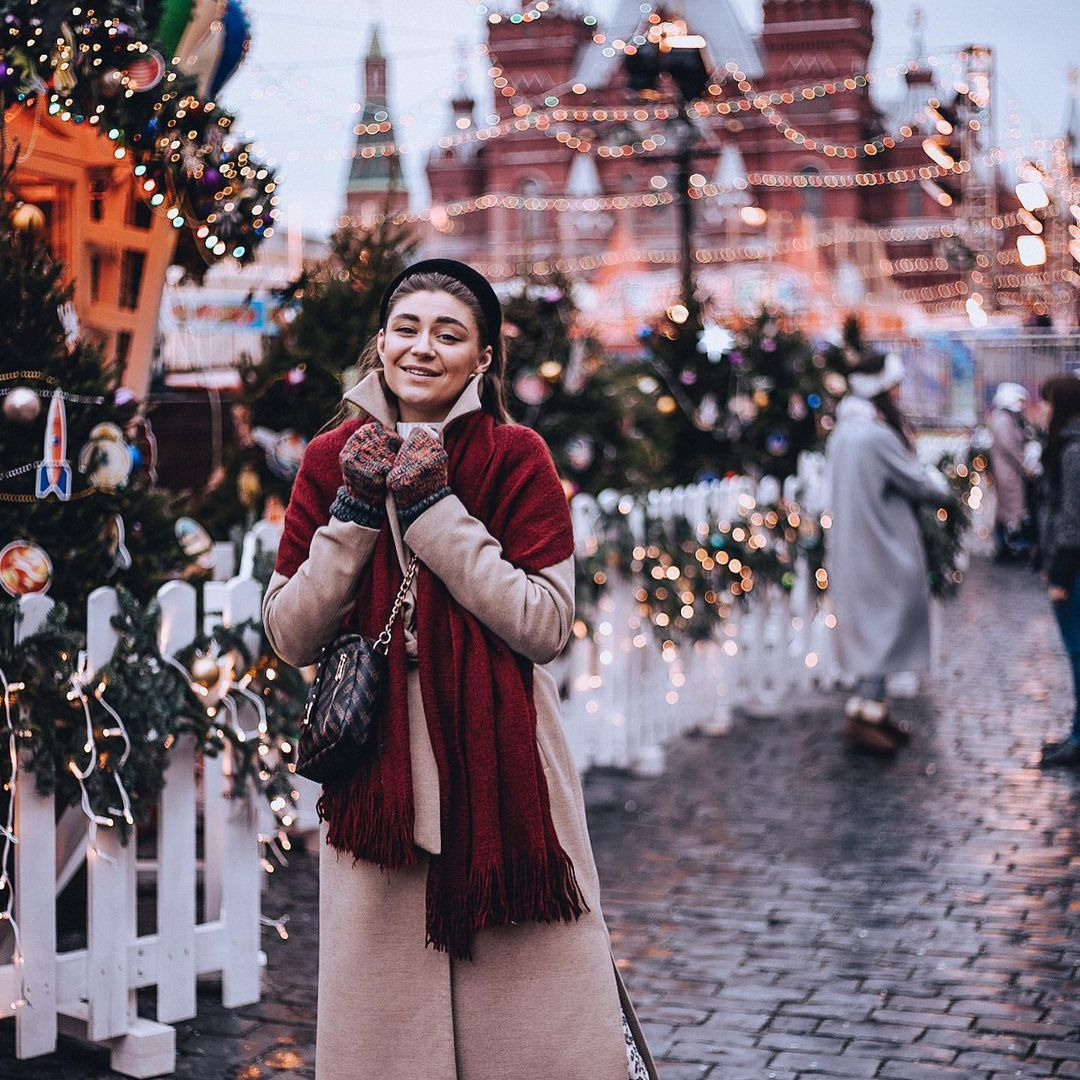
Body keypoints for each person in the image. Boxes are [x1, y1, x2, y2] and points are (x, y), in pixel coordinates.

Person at [262, 259, 655, 1080]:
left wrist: (439, 512)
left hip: (501, 758)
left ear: (482, 358)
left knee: (534, 1023)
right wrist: (356, 513)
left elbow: (544, 624)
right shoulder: (331, 458)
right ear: (379, 342)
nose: (422, 348)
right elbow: (290, 634)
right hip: (378, 771)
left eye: (449, 333)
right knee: (389, 1033)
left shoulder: (517, 456)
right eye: (406, 329)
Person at [826, 350, 948, 755]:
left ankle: (870, 708)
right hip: (883, 546)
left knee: (873, 626)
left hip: (857, 545)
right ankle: (866, 711)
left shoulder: (844, 433)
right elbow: (920, 485)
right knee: (885, 626)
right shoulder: (875, 437)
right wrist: (937, 480)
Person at [1036, 374, 1080, 767]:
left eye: (1047, 402)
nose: (1042, 409)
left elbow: (1072, 517)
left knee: (1079, 652)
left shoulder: (1072, 450)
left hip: (1074, 568)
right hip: (1066, 564)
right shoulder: (1065, 446)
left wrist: (1061, 574)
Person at [986, 382, 1030, 560]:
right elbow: (1010, 445)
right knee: (1008, 511)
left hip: (1008, 470)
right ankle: (1005, 546)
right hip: (1007, 471)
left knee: (1006, 511)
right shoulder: (1003, 420)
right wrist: (1025, 463)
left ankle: (1005, 546)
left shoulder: (1004, 418)